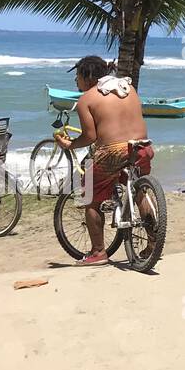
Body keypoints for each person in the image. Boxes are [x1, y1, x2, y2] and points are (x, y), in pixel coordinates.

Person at [54, 55, 155, 265]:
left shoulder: (87, 99)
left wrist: (70, 144)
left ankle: (98, 252)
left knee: (90, 196)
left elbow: (90, 137)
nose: (75, 81)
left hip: (113, 152)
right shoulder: (129, 88)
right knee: (138, 191)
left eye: (77, 76)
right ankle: (154, 240)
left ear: (87, 76)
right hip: (142, 147)